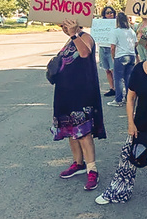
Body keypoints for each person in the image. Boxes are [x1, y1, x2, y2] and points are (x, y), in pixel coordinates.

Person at [95, 34, 147, 212]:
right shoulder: (139, 68)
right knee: (128, 158)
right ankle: (118, 191)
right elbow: (131, 97)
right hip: (142, 122)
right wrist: (130, 123)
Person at [53, 19, 106, 191]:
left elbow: (84, 53)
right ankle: (78, 163)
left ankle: (92, 170)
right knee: (70, 131)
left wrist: (74, 33)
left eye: (66, 25)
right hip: (65, 93)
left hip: (81, 94)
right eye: (62, 26)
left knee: (83, 133)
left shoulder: (85, 37)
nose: (64, 28)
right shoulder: (69, 40)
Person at [107, 12, 137, 107]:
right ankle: (128, 98)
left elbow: (112, 47)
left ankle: (118, 99)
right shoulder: (131, 31)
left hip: (120, 56)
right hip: (131, 55)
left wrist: (113, 56)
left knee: (118, 78)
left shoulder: (115, 31)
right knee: (128, 78)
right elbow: (136, 43)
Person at [99, 6, 116, 96]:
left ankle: (118, 89)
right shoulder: (100, 23)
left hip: (112, 48)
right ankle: (112, 88)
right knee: (107, 70)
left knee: (113, 69)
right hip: (102, 47)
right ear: (104, 15)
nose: (110, 14)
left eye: (111, 12)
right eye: (108, 13)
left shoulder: (116, 23)